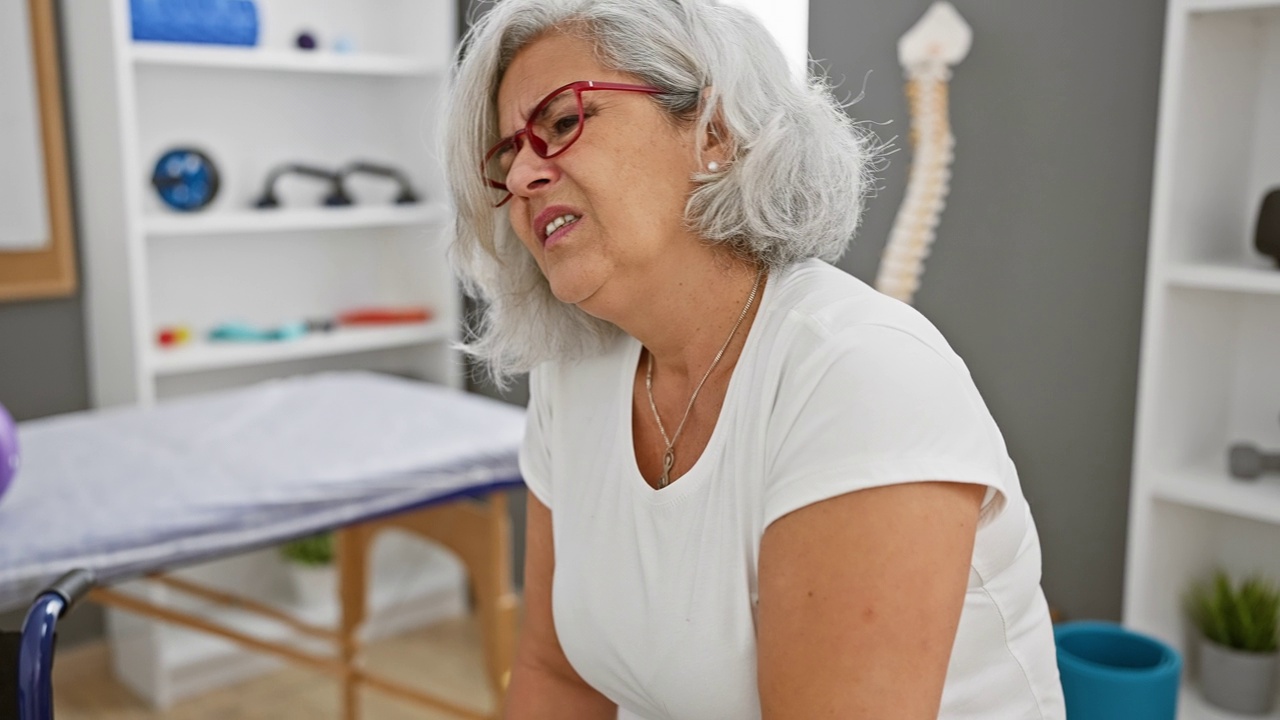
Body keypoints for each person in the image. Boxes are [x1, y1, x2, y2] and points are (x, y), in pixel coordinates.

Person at [443, 1, 1065, 718]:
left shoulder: (861, 376)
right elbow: (557, 675)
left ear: (714, 130)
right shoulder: (571, 375)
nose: (522, 174)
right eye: (507, 154)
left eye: (559, 122)